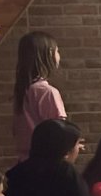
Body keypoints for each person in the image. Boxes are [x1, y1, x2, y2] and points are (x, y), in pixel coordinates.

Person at [12, 31, 66, 162]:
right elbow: (60, 132)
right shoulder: (47, 92)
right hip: (47, 163)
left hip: (25, 162)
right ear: (49, 53)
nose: (59, 55)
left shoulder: (23, 90)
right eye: (57, 51)